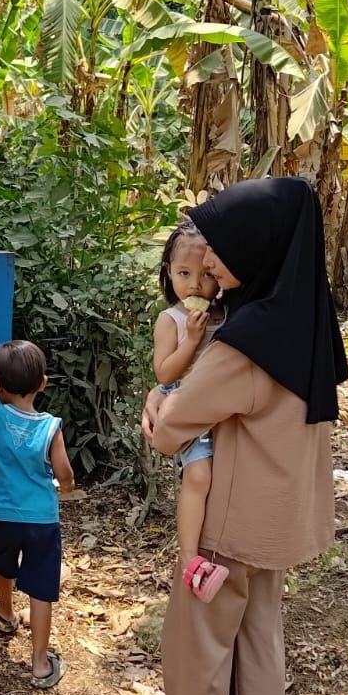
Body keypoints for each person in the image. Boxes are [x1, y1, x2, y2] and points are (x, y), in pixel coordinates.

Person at [133, 178, 348, 695]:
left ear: (259, 248)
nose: (210, 265)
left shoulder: (244, 339)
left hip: (227, 520)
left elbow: (172, 432)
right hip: (281, 517)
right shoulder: (308, 318)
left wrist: (159, 406)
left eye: (223, 249)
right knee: (259, 631)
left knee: (199, 642)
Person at [0, 339, 75, 688]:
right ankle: (40, 664)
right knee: (41, 587)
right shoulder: (51, 427)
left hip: (1, 515)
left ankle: (5, 612)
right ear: (42, 383)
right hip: (41, 520)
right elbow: (64, 474)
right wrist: (67, 485)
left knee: (3, 563)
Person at [152, 221, 224, 575]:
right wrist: (192, 339)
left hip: (218, 404)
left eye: (206, 275)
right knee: (197, 475)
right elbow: (165, 373)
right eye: (184, 273)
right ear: (168, 272)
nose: (195, 284)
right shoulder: (171, 320)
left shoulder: (224, 315)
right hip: (183, 401)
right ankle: (188, 556)